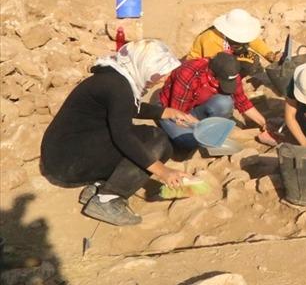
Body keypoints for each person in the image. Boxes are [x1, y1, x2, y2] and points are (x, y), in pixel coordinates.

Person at [40, 39, 197, 226]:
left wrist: (166, 112)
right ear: (143, 65)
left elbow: (125, 109)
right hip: (67, 163)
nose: (163, 78)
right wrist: (164, 172)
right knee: (157, 142)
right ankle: (107, 200)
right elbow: (123, 137)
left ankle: (99, 186)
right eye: (159, 73)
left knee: (151, 139)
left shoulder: (114, 77)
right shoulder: (117, 87)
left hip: (64, 154)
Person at [156, 52, 268, 153]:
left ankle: (208, 131)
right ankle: (166, 126)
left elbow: (242, 101)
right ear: (212, 73)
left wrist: (264, 123)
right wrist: (202, 129)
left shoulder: (231, 72)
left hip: (197, 106)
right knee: (189, 142)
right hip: (172, 109)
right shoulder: (189, 73)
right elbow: (179, 113)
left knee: (225, 102)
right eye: (223, 82)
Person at [187, 8, 277, 76]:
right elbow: (215, 66)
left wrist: (270, 55)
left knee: (252, 60)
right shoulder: (211, 39)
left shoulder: (232, 36)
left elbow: (254, 41)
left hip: (224, 56)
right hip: (201, 68)